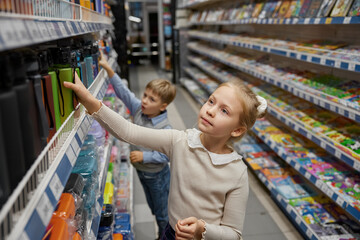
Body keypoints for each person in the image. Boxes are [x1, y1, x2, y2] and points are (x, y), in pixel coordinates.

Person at [64, 72, 267, 240]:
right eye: (211, 101)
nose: (210, 111)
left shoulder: (236, 172)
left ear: (237, 130)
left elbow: (234, 233)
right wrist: (89, 100)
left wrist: (202, 229)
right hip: (171, 234)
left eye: (224, 110)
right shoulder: (180, 141)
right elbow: (129, 131)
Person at [99, 53, 176, 238]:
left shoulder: (165, 127)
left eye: (152, 100)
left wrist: (145, 156)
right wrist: (109, 69)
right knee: (152, 206)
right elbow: (124, 93)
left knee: (162, 211)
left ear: (163, 106)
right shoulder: (140, 111)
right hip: (142, 172)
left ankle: (166, 236)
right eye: (145, 95)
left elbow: (168, 155)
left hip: (157, 175)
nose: (144, 101)